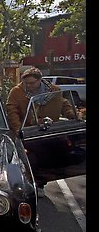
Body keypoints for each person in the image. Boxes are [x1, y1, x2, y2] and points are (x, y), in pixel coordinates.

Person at [6, 66, 78, 197]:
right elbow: (12, 111)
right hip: (28, 131)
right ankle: (30, 183)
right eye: (26, 83)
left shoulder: (54, 91)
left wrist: (71, 114)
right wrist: (17, 129)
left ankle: (40, 184)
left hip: (48, 131)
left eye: (32, 83)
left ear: (40, 80)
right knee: (31, 160)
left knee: (48, 159)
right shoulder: (17, 92)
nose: (29, 85)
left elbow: (63, 104)